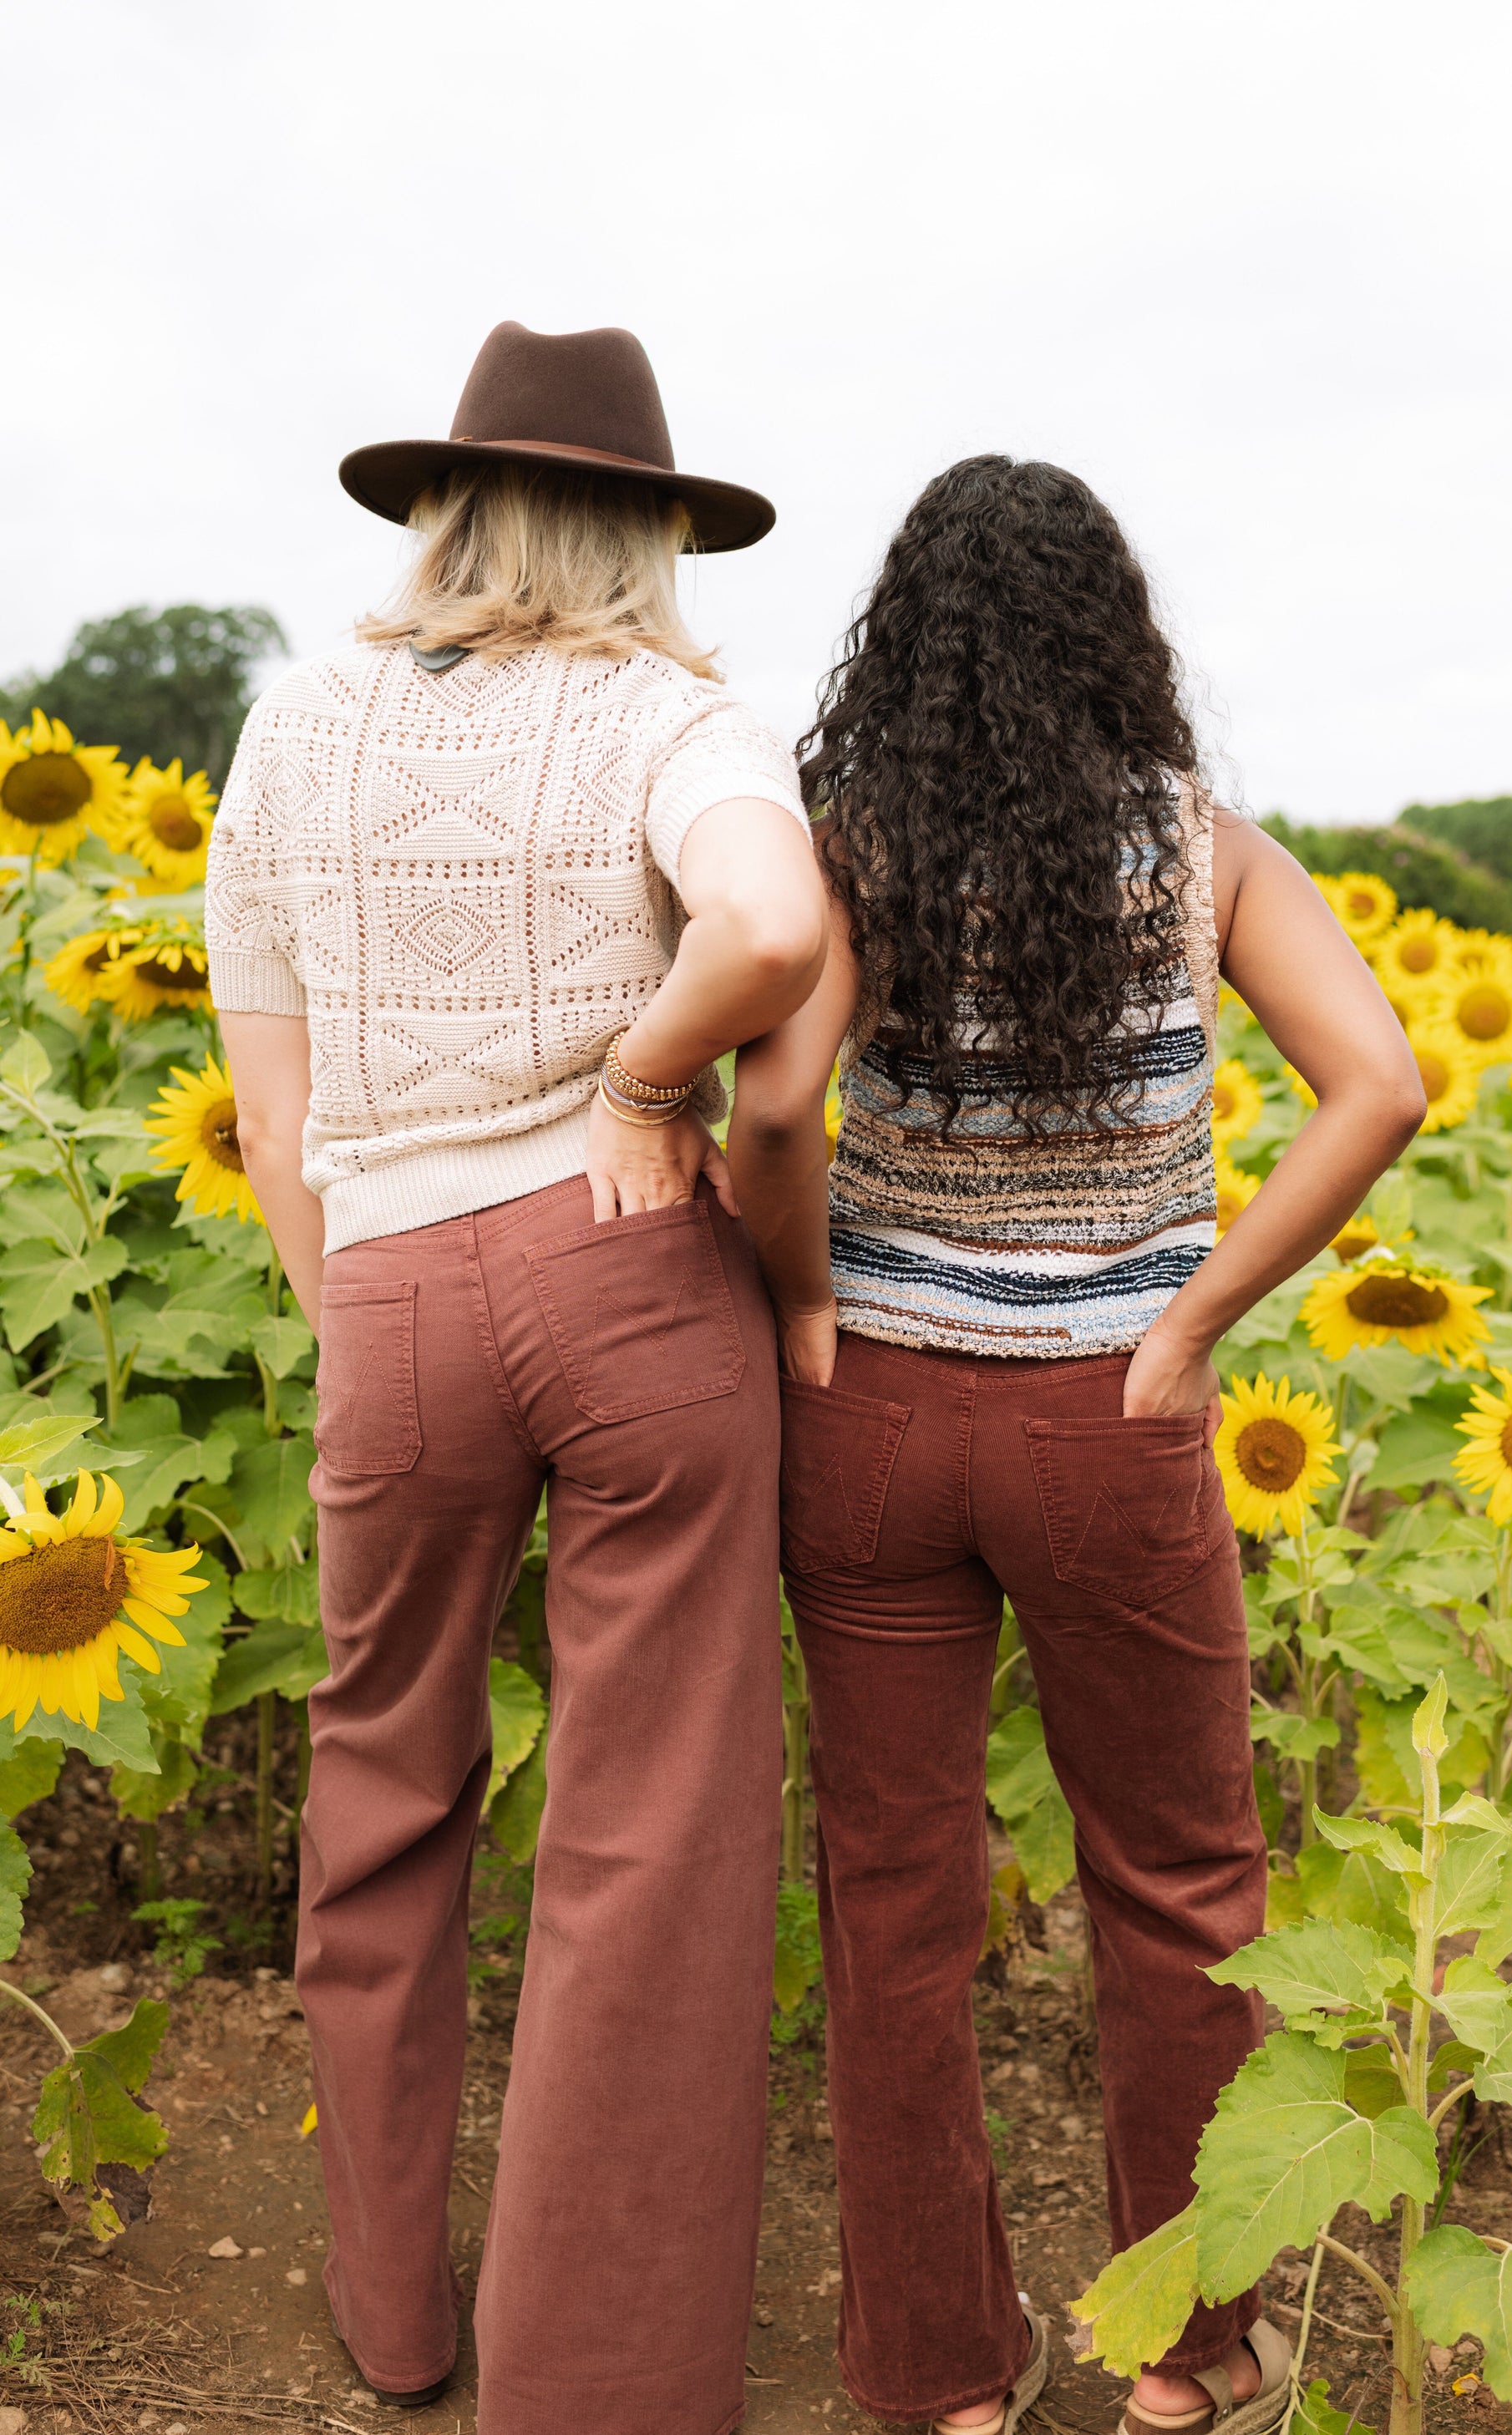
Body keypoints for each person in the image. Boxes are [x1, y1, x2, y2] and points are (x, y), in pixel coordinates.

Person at [728, 454, 1426, 2435]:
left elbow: (775, 1119)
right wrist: (1195, 1318)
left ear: (909, 650)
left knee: (889, 1897)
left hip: (868, 1420)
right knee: (1183, 1885)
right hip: (1110, 1425)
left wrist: (801, 1302)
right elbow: (1377, 1086)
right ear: (1113, 634)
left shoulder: (848, 844)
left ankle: (938, 2378)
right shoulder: (1197, 852)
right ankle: (1186, 2361)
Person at [205, 322, 827, 2435]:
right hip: (632, 1275)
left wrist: (363, 1302)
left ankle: (395, 2325)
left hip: (385, 1293)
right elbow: (763, 925)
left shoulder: (292, 728)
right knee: (647, 1832)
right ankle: (597, 2389)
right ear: (650, 532)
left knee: (378, 1791)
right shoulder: (683, 715)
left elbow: (273, 1117)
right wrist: (649, 1078)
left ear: (449, 504)